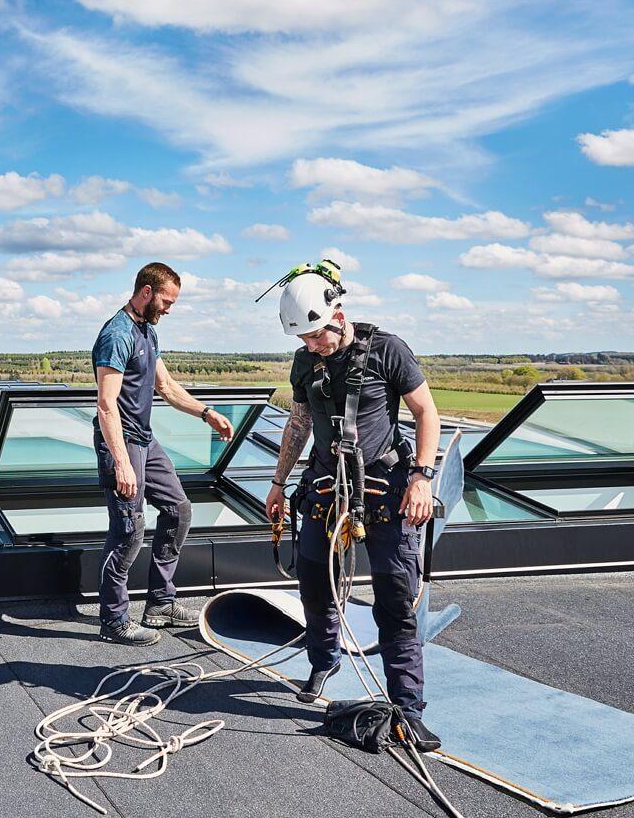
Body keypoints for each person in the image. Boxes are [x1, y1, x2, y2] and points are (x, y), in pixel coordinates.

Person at [263, 262, 443, 751]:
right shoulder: (306, 362)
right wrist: (279, 483)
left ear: (337, 315)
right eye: (302, 339)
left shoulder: (388, 351)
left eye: (316, 335)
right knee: (314, 581)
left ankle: (407, 706)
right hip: (324, 486)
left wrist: (422, 479)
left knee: (394, 597)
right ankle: (323, 661)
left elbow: (427, 413)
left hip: (385, 489)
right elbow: (299, 423)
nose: (310, 345)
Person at [93, 262, 234, 646]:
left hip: (145, 440)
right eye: (167, 300)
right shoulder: (116, 334)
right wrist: (121, 462)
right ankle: (114, 620)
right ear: (146, 292)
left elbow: (167, 387)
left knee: (178, 509)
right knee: (128, 530)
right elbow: (106, 406)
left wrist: (207, 414)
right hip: (120, 443)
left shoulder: (147, 331)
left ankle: (160, 603)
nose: (169, 308)